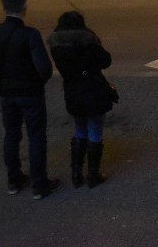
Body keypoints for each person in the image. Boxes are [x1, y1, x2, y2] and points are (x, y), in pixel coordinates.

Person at [0, 0, 60, 200]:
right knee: (36, 136)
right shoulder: (30, 34)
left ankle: (14, 180)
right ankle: (39, 184)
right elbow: (44, 68)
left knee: (11, 135)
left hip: (6, 92)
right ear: (24, 7)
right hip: (30, 93)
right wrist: (34, 81)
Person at [47, 11, 114, 189]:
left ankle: (76, 174)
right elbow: (105, 60)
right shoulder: (88, 40)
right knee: (95, 130)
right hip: (93, 88)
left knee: (79, 129)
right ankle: (93, 174)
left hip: (72, 89)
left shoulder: (56, 44)